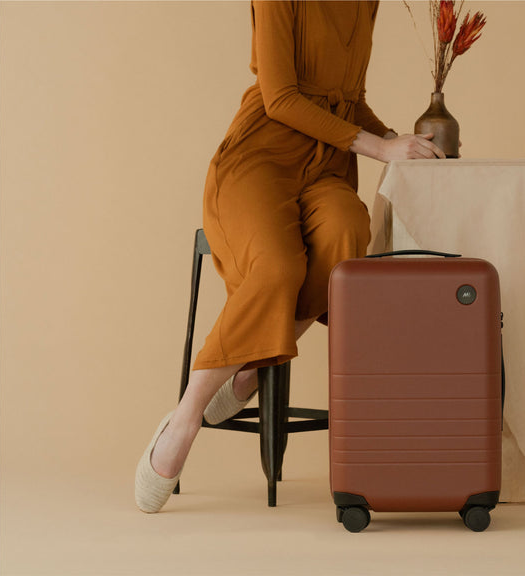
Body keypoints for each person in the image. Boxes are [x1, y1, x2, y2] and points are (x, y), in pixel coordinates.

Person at [135, 0, 444, 513]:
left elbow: (347, 99)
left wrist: (394, 137)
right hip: (262, 155)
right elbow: (280, 97)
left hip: (326, 166)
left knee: (349, 232)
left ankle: (251, 370)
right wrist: (379, 149)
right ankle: (186, 417)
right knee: (278, 266)